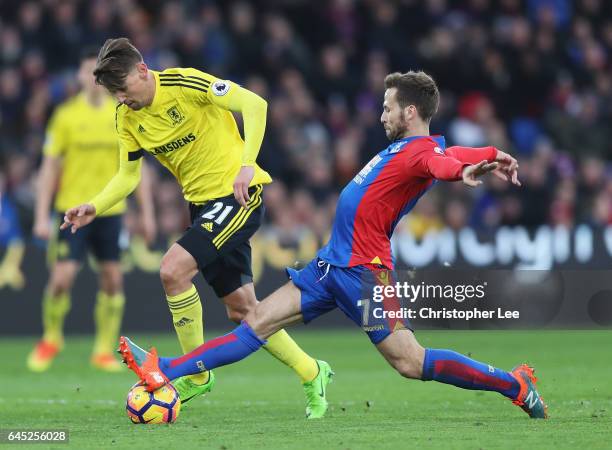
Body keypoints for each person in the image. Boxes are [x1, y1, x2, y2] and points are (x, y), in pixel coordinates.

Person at [117, 71, 548, 419]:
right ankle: (167, 370)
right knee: (255, 324)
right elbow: (449, 150)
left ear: (410, 111)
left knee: (411, 363)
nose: (381, 116)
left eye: (388, 108)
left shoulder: (419, 153)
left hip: (365, 274)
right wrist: (491, 152)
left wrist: (462, 173)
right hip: (329, 265)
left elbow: (441, 162)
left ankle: (514, 385)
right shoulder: (407, 147)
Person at [61, 38, 332, 418]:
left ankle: (196, 373)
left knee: (172, 269)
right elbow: (127, 175)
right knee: (244, 311)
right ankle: (313, 371)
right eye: (114, 94)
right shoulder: (127, 118)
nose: (121, 99)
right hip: (203, 206)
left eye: (123, 89)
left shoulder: (184, 84)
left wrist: (248, 164)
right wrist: (95, 205)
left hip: (238, 195)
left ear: (143, 70)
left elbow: (255, 103)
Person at [27, 49, 156, 372]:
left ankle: (102, 349)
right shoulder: (66, 116)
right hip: (70, 208)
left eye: (96, 74)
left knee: (112, 280)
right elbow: (49, 169)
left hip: (109, 211)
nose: (91, 79)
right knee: (61, 278)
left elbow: (136, 170)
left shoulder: (123, 112)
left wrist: (147, 214)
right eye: (86, 72)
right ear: (80, 78)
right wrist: (42, 216)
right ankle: (51, 338)